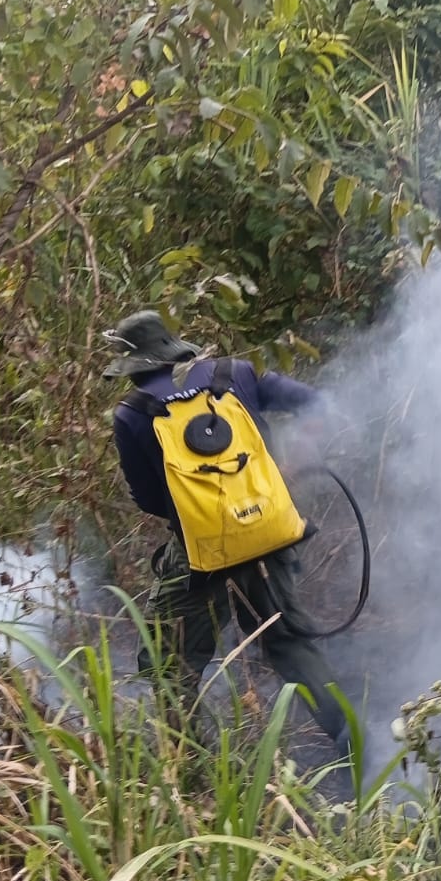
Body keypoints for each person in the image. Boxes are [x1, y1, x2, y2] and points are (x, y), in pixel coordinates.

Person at [103, 309, 349, 752]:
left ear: (131, 364)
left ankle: (189, 766)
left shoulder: (131, 414)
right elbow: (318, 404)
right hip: (270, 530)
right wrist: (289, 465)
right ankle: (354, 744)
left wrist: (202, 510)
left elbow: (148, 499)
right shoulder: (234, 373)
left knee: (169, 661)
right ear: (172, 346)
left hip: (201, 552)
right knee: (289, 644)